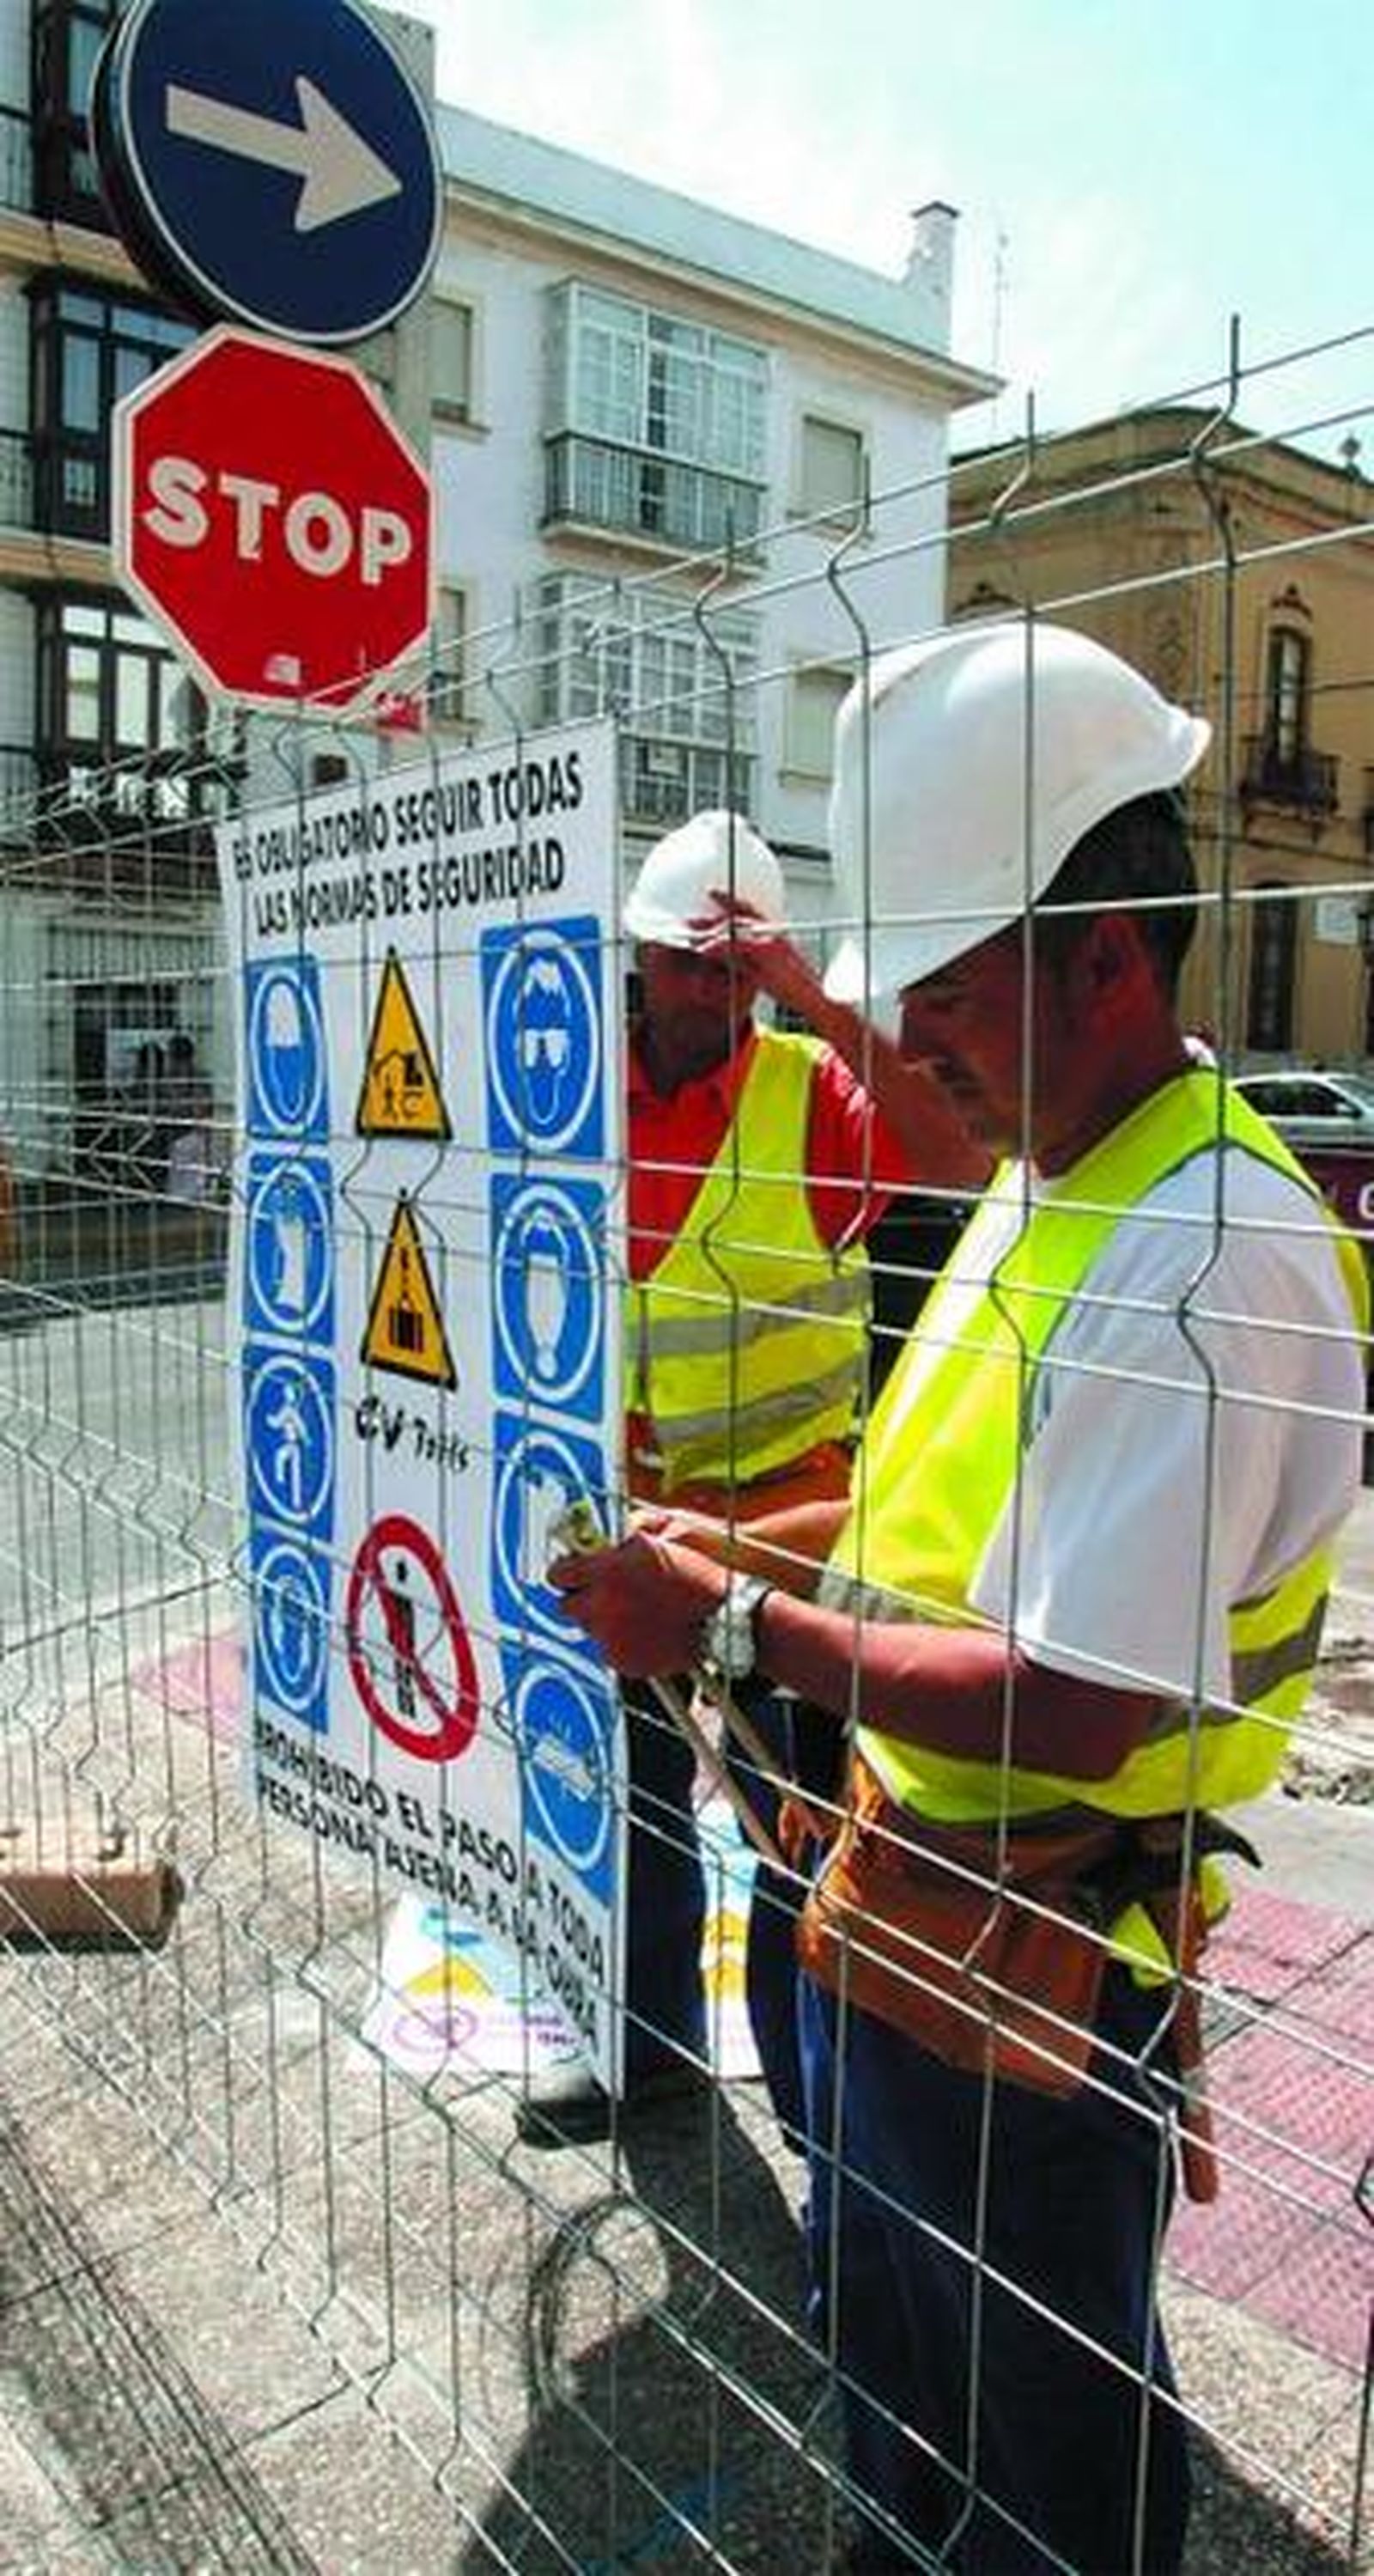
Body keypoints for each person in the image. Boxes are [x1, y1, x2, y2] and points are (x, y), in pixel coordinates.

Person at [544, 625, 1369, 2570]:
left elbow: (1073, 1699)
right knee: (901, 2379)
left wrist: (731, 1633)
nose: (901, 1038)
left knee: (1038, 2455)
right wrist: (741, 1552)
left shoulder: (1202, 1247)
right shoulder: (1051, 1169)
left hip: (1047, 1952)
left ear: (1104, 956)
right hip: (920, 1905)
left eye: (943, 988)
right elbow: (931, 1520)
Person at [516, 806, 988, 2149]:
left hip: (791, 1516)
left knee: (801, 1822)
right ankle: (645, 2050)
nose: (708, 989)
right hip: (615, 1518)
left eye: (735, 968)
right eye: (687, 961)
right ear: (640, 958)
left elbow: (953, 1155)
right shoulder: (566, 1076)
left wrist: (811, 992)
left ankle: (814, 2100)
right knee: (625, 1795)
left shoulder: (811, 1092)